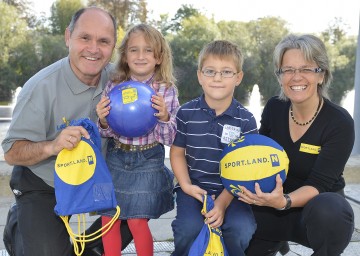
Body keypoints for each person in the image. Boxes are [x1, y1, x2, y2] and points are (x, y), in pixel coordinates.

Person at [1, 7, 117, 256]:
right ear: (68, 37)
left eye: (104, 41)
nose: (94, 48)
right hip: (44, 181)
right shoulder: (40, 87)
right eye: (85, 37)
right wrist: (52, 146)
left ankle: (76, 247)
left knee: (139, 208)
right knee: (46, 252)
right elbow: (11, 152)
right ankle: (19, 228)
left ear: (113, 45)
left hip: (95, 176)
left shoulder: (119, 80)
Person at [238, 34, 355, 256]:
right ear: (280, 76)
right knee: (234, 217)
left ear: (321, 75)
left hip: (315, 212)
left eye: (306, 69)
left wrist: (284, 201)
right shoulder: (275, 107)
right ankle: (275, 240)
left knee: (330, 210)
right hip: (272, 207)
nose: (296, 77)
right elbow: (260, 158)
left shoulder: (339, 122)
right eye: (288, 70)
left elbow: (319, 183)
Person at [95, 23, 180, 256]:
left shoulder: (166, 90)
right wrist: (102, 121)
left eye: (148, 50)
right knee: (108, 217)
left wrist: (163, 117)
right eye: (134, 50)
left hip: (148, 159)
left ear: (159, 57)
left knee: (136, 222)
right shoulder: (114, 86)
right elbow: (106, 132)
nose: (140, 56)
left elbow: (172, 137)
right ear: (125, 55)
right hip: (116, 157)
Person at [170, 40, 258, 256]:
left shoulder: (246, 120)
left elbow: (246, 169)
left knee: (240, 229)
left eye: (226, 72)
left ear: (238, 77)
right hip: (194, 189)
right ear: (200, 76)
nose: (217, 78)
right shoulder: (186, 113)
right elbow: (177, 152)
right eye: (210, 71)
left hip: (234, 192)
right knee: (187, 229)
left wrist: (222, 202)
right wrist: (186, 185)